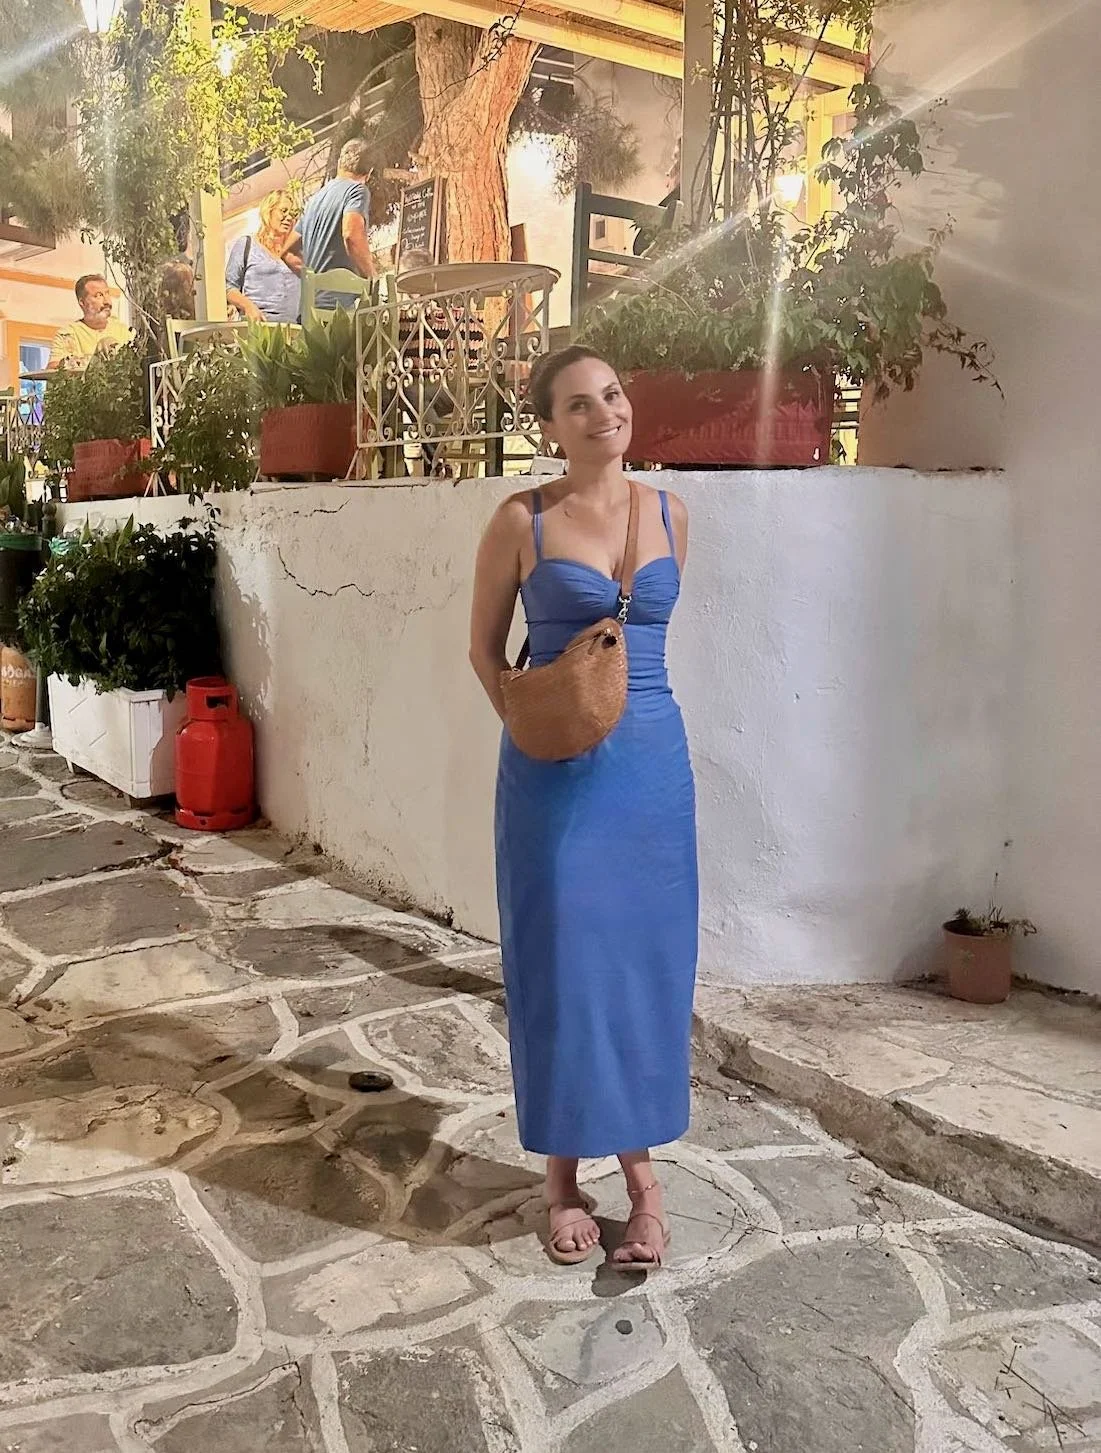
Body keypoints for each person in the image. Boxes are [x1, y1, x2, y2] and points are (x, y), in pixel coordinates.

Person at [469, 345, 698, 1270]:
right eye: (578, 405)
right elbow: (484, 650)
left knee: (643, 966)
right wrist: (534, 728)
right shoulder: (519, 519)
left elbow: (649, 644)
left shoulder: (672, 512)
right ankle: (562, 1179)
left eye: (611, 395)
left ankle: (642, 1182)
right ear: (549, 427)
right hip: (554, 776)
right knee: (561, 964)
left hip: (651, 769)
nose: (604, 413)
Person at [283, 140, 377, 310]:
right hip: (339, 308)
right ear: (369, 172)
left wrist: (312, 278)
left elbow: (287, 252)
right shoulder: (357, 191)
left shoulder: (314, 201)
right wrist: (372, 278)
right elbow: (351, 235)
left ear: (340, 162)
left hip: (310, 307)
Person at [225, 190, 301, 324]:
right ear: (268, 211)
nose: (289, 217)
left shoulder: (297, 253)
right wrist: (248, 306)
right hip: (258, 328)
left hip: (294, 331)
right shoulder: (247, 244)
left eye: (293, 214)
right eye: (283, 211)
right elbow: (228, 287)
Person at [49, 274, 131, 369]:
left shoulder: (124, 331)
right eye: (99, 295)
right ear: (82, 302)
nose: (107, 301)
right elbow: (53, 369)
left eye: (107, 293)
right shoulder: (68, 334)